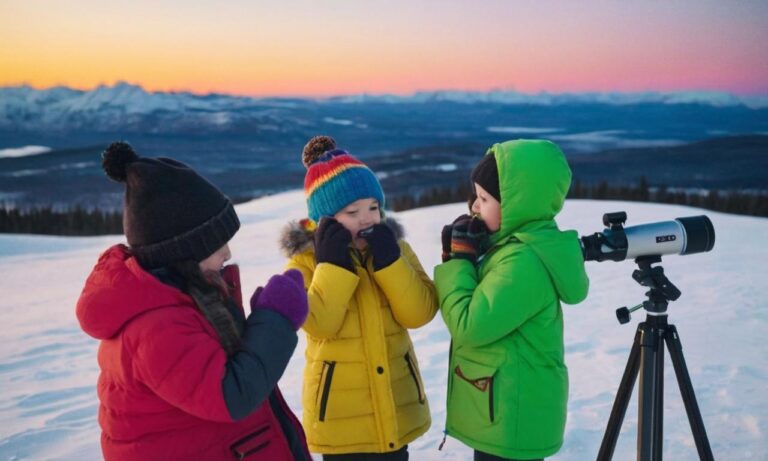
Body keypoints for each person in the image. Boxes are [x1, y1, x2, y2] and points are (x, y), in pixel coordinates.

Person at [76, 142, 311, 460]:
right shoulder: (157, 326)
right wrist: (276, 319)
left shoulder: (185, 299)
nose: (227, 253)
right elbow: (231, 395)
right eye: (217, 245)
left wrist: (258, 323)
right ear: (184, 251)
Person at [279, 136, 438, 460]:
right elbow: (320, 325)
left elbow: (420, 313)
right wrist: (332, 266)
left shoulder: (396, 250)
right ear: (325, 221)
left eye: (373, 207)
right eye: (352, 212)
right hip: (341, 420)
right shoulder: (305, 264)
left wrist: (390, 264)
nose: (367, 218)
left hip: (396, 408)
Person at [434, 139, 590, 461]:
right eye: (475, 197)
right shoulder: (513, 247)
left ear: (518, 205)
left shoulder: (524, 262)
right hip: (506, 409)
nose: (474, 207)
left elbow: (470, 325)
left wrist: (458, 263)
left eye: (484, 199)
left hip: (512, 418)